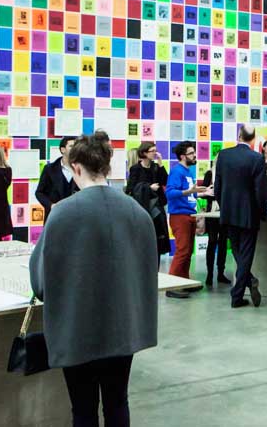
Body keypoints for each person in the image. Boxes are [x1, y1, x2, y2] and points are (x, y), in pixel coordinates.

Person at [29, 130, 158, 427]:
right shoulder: (136, 212)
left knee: (83, 408)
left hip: (77, 329)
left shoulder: (62, 213)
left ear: (76, 167)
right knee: (118, 401)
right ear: (107, 167)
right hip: (124, 327)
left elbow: (41, 283)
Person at [214, 125, 267, 309]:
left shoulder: (223, 155)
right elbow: (260, 191)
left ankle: (246, 285)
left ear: (239, 135)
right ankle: (238, 293)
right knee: (245, 254)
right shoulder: (257, 158)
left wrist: (224, 206)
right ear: (253, 138)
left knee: (238, 252)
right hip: (248, 214)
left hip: (228, 212)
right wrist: (262, 214)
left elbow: (217, 186)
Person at [164, 141, 208, 299]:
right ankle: (171, 286)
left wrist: (203, 193)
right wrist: (188, 191)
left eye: (194, 152)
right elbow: (170, 193)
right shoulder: (177, 171)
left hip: (189, 214)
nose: (195, 155)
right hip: (180, 216)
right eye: (191, 153)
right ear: (183, 156)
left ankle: (184, 282)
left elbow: (190, 193)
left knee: (188, 251)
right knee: (182, 251)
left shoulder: (188, 171)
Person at [125, 142, 170, 256]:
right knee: (145, 238)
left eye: (155, 150)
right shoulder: (136, 169)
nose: (155, 153)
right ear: (144, 153)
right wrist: (148, 187)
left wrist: (160, 164)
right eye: (152, 151)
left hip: (157, 207)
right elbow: (130, 189)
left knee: (159, 238)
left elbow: (165, 181)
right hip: (143, 207)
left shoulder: (155, 167)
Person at [201, 161, 231, 287]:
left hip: (224, 213)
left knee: (223, 243)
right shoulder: (209, 174)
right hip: (212, 214)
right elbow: (204, 193)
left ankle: (220, 273)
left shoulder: (228, 174)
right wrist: (212, 193)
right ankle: (209, 274)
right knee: (212, 241)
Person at [35, 136, 79, 221]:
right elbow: (39, 193)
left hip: (76, 217)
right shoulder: (49, 169)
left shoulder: (82, 168)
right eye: (71, 146)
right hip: (54, 217)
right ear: (63, 150)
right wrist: (51, 205)